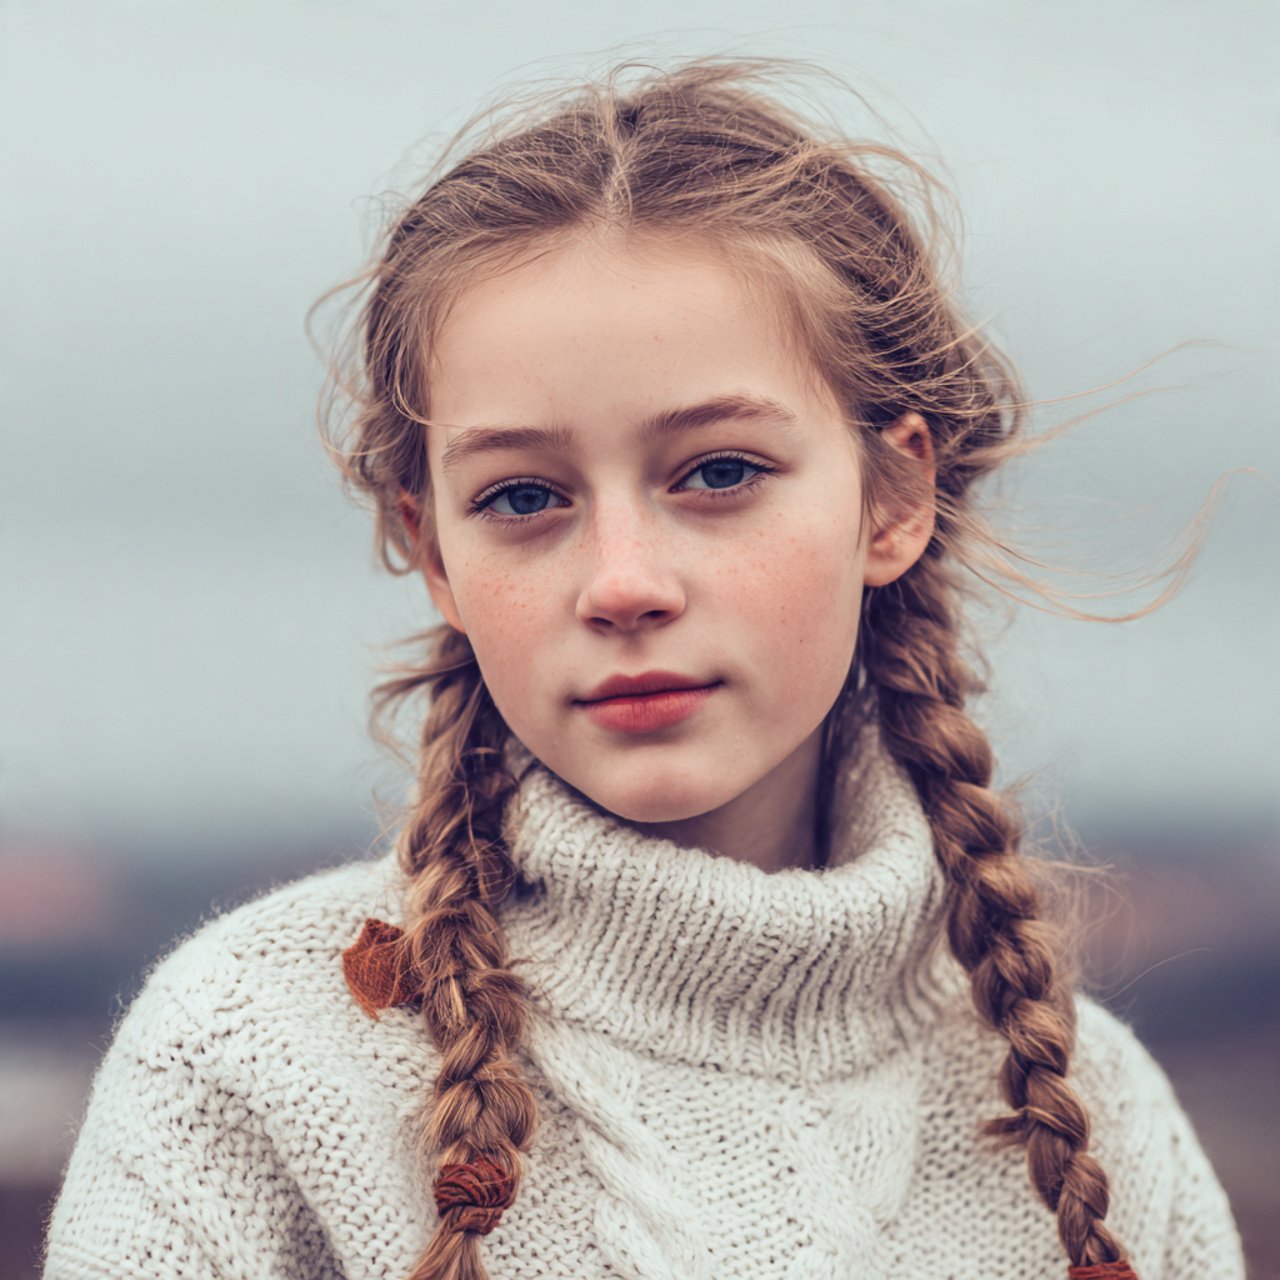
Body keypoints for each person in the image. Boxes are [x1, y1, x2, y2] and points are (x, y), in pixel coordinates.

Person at [41, 55, 1246, 1280]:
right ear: (434, 551)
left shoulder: (1096, 1125)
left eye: (718, 471)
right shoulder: (257, 1054)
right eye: (520, 495)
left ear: (891, 497)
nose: (622, 581)